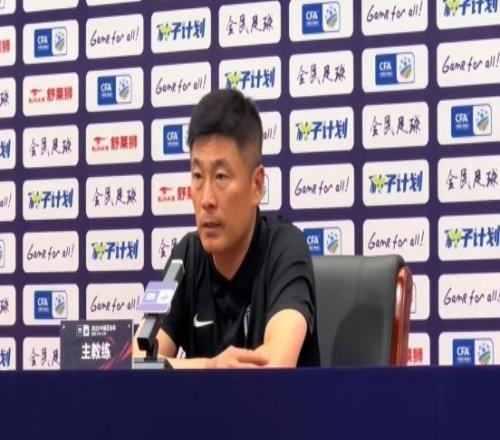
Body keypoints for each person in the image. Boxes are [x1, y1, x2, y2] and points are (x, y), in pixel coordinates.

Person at [135, 89, 319, 368]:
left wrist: (197, 370)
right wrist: (210, 367)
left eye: (221, 177)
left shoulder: (286, 248)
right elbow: (138, 360)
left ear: (256, 185)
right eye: (198, 176)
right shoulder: (184, 256)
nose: (207, 199)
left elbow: (275, 365)